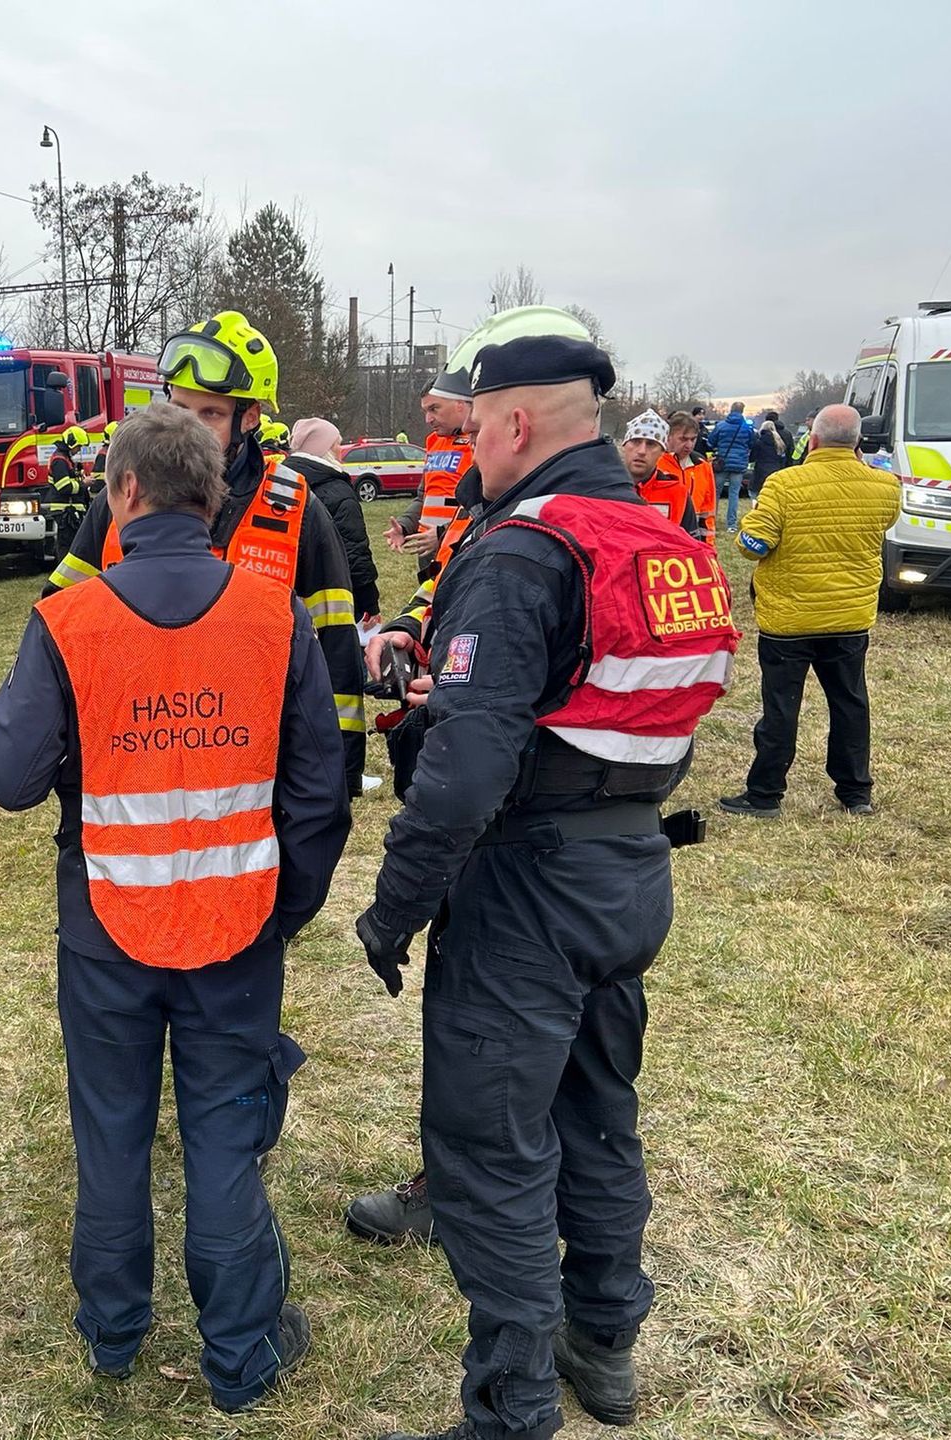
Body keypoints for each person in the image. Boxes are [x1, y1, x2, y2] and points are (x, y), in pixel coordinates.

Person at [358, 326, 738, 1440]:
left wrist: (397, 906)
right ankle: (604, 1340)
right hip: (630, 867)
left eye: (473, 430)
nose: (467, 451)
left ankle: (511, 1408)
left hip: (526, 878)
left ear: (515, 423)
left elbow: (470, 770)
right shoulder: (663, 540)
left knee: (492, 1149)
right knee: (598, 1113)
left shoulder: (524, 549)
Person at [0, 404, 351, 1413]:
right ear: (215, 492)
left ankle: (113, 1332)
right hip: (237, 927)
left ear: (124, 493)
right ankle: (242, 1355)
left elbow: (8, 779)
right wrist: (287, 903)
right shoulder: (276, 622)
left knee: (112, 1132)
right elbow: (322, 787)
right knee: (227, 1137)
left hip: (104, 923)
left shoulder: (68, 619)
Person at [48, 311, 368, 794]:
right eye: (179, 411)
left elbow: (338, 655)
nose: (187, 433)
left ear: (251, 416)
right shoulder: (118, 500)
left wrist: (337, 781)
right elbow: (55, 626)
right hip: (130, 763)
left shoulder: (296, 510)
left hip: (256, 771)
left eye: (210, 415)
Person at [720, 403, 900, 820]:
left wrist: (752, 533)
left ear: (812, 440)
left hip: (789, 620)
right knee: (850, 703)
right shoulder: (885, 486)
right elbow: (885, 524)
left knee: (781, 709)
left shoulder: (784, 485)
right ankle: (856, 792)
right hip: (850, 616)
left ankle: (765, 794)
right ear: (858, 443)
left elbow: (753, 546)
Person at [387, 369, 477, 579]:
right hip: (429, 551)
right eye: (425, 411)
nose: (428, 419)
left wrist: (443, 533)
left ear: (461, 403)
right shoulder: (433, 441)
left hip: (461, 548)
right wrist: (404, 525)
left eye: (434, 409)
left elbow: (484, 508)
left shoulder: (481, 441)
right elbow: (425, 497)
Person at [289, 415, 380, 620]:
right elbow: (354, 551)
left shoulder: (280, 481)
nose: (342, 450)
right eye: (337, 444)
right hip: (331, 599)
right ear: (324, 449)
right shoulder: (337, 490)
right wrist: (369, 602)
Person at [620, 408, 705, 537]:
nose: (642, 451)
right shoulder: (602, 490)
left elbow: (692, 546)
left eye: (651, 444)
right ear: (624, 446)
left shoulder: (677, 493)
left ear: (662, 451)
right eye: (636, 441)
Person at [655, 410, 718, 537]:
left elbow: (708, 511)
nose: (689, 445)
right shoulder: (656, 464)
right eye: (683, 439)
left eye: (693, 439)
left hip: (693, 539)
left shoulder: (702, 466)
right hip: (662, 538)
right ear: (669, 436)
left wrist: (708, 548)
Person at [708, 400, 756, 529]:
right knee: (734, 493)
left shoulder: (721, 425)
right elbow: (752, 443)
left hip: (722, 463)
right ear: (742, 411)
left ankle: (711, 521)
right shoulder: (747, 428)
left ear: (731, 410)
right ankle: (732, 524)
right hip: (739, 463)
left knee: (716, 492)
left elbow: (711, 441)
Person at [47, 426, 91, 560]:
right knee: (67, 547)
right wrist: (84, 484)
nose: (79, 450)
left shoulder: (65, 459)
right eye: (78, 446)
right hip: (66, 512)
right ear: (71, 443)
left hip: (70, 511)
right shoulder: (59, 461)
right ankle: (65, 577)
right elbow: (64, 486)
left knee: (72, 546)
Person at [751, 409, 789, 494]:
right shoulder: (781, 440)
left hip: (761, 470)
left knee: (757, 493)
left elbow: (752, 457)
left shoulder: (759, 441)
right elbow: (785, 455)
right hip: (776, 469)